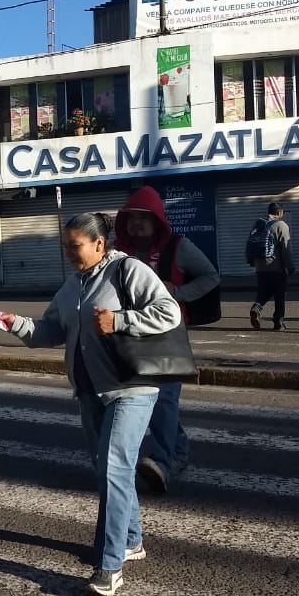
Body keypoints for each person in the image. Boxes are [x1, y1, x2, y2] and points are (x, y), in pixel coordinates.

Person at [0, 212, 181, 596]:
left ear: (100, 244)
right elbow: (50, 330)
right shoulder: (71, 286)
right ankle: (131, 539)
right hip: (89, 392)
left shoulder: (127, 271)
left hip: (131, 388)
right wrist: (12, 322)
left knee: (115, 467)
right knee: (109, 469)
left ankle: (110, 564)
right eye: (65, 246)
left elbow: (170, 312)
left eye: (75, 246)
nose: (69, 253)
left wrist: (121, 320)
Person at [114, 186, 220, 495]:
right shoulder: (120, 252)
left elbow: (210, 276)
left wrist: (178, 292)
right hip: (131, 332)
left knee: (164, 401)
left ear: (157, 221)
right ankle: (179, 450)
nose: (136, 225)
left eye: (143, 219)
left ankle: (162, 463)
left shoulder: (178, 247)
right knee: (150, 399)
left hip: (167, 334)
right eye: (131, 219)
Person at [249, 202, 294, 332]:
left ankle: (256, 308)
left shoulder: (259, 224)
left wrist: (253, 263)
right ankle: (278, 322)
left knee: (264, 291)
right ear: (280, 213)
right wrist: (290, 266)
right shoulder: (281, 225)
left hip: (260, 267)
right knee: (279, 295)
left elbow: (252, 245)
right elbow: (285, 248)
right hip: (276, 267)